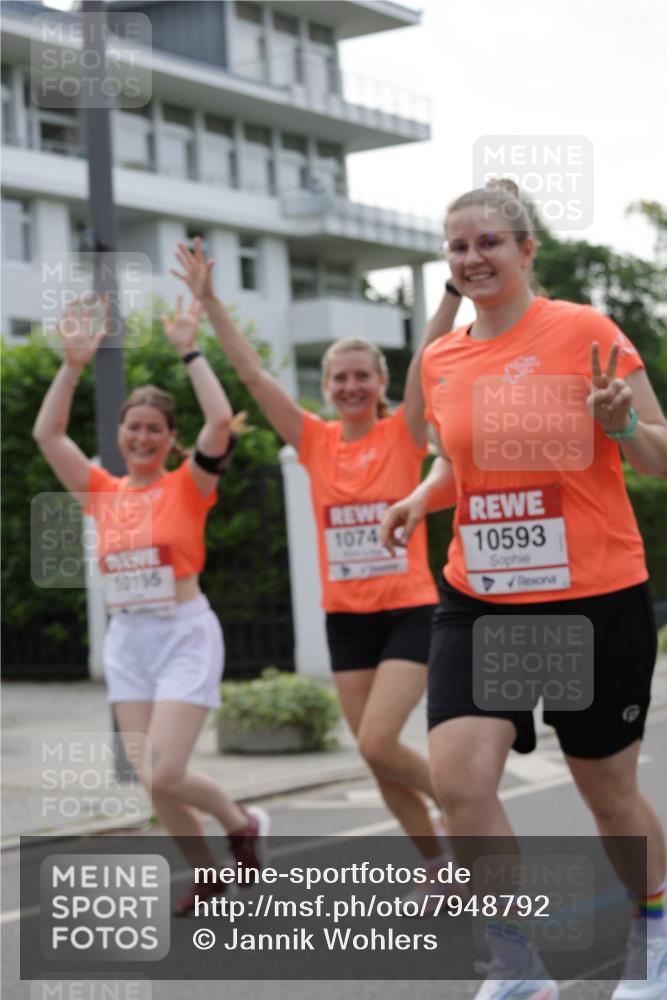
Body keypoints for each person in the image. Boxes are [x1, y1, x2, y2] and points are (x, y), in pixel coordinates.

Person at [381, 179, 667, 999]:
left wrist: (618, 424)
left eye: (487, 243)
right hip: (482, 597)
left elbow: (656, 454)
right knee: (462, 784)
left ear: (524, 249)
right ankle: (515, 967)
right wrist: (418, 497)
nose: (472, 259)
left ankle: (653, 930)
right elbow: (457, 461)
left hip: (591, 595)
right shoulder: (443, 356)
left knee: (606, 795)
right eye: (457, 247)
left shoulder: (583, 330)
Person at [171, 237, 463, 884]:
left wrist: (450, 288)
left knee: (377, 742)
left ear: (381, 383)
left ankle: (466, 812)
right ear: (326, 388)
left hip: (408, 610)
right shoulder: (313, 439)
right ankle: (440, 865)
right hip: (346, 619)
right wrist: (212, 302)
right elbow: (252, 376)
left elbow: (430, 357)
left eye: (363, 376)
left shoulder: (403, 433)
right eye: (340, 378)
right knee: (377, 760)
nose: (352, 386)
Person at [32, 295, 270, 916]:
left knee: (166, 773)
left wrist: (190, 349)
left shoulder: (188, 485)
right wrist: (72, 366)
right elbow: (47, 433)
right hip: (128, 641)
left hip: (184, 634)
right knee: (150, 779)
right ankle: (208, 874)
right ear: (119, 434)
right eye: (132, 427)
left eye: (154, 429)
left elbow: (220, 422)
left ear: (169, 439)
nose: (142, 436)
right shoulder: (100, 491)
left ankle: (239, 821)